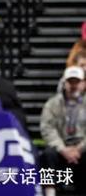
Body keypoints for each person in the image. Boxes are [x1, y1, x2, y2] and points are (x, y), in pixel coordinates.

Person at [40, 66, 86, 196]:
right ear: (64, 83)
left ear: (83, 84)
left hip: (82, 147)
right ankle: (50, 192)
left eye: (77, 82)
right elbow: (47, 128)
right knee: (47, 154)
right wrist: (63, 149)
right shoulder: (52, 104)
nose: (73, 85)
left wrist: (79, 149)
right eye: (70, 82)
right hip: (61, 146)